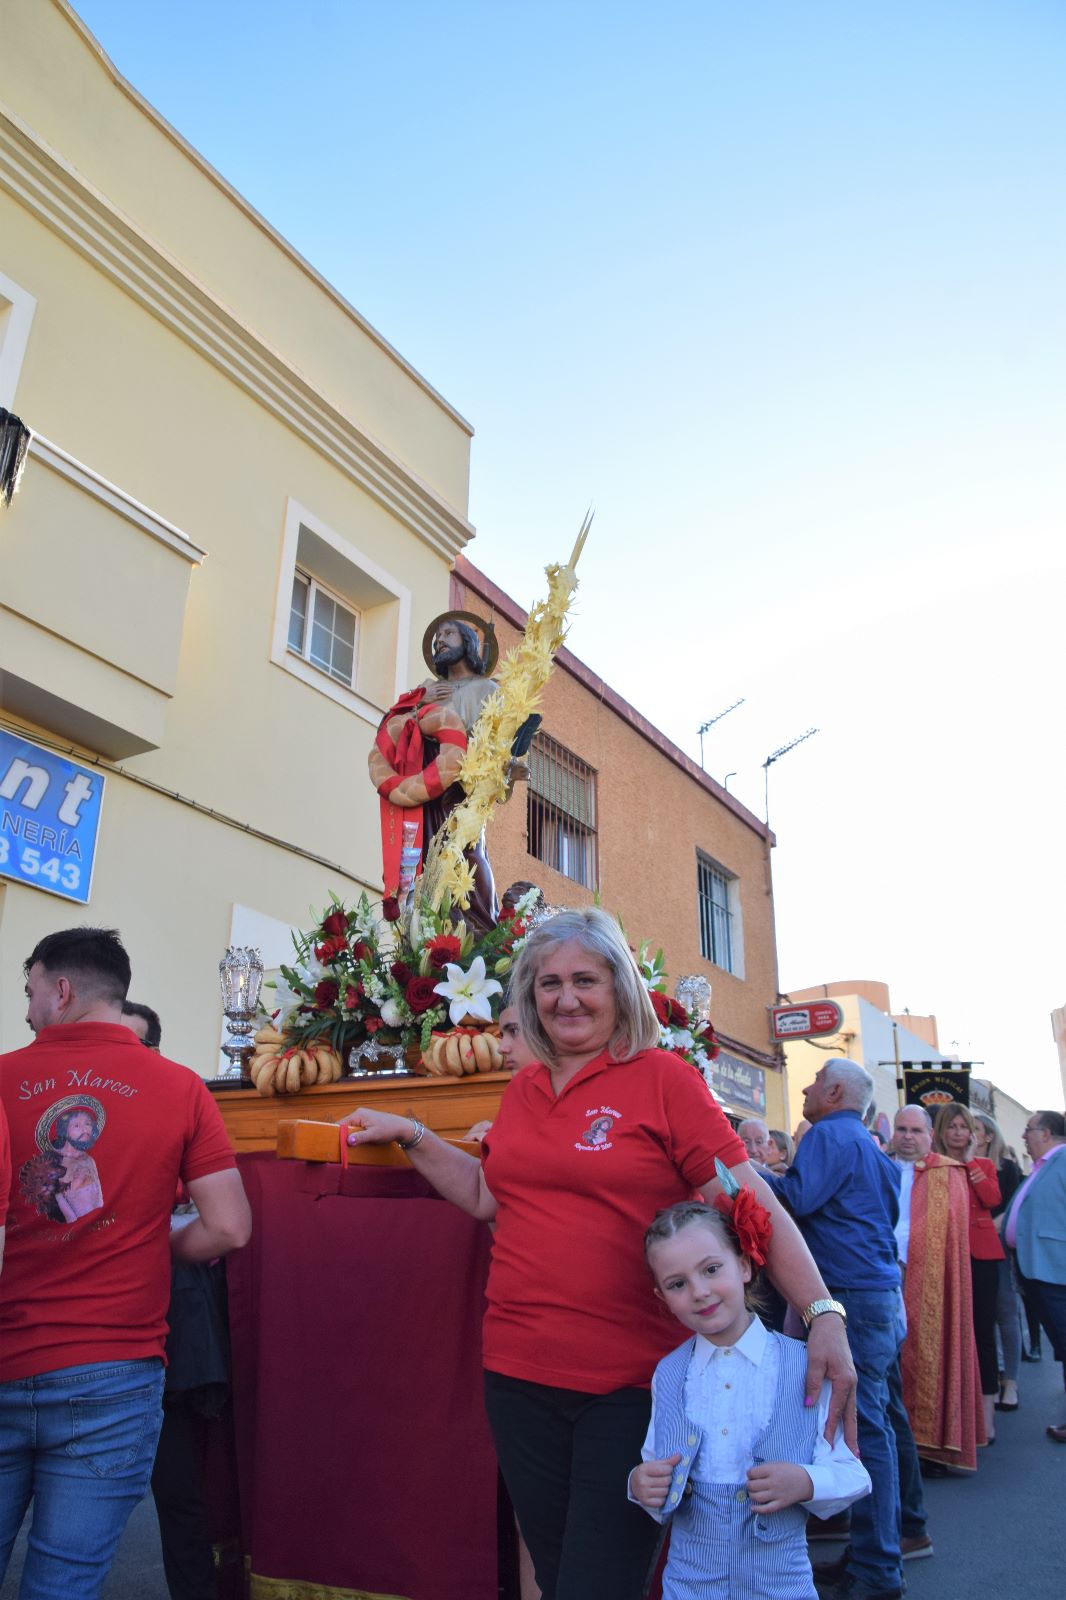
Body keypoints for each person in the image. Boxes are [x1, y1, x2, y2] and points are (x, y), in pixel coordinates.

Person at [343, 909, 856, 1600]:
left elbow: (748, 1200)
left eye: (585, 979)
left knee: (598, 1584)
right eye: (549, 983)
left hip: (633, 1389)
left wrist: (822, 1311)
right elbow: (486, 1197)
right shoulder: (523, 1088)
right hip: (517, 1378)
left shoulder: (664, 1080)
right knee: (558, 1579)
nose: (566, 998)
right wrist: (412, 1133)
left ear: (618, 986)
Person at [0, 927, 251, 1599]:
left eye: (29, 992)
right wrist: (151, 1239)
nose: (26, 1011)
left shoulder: (3, 1078)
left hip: (10, 1351)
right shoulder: (181, 1088)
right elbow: (229, 1225)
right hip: (113, 1371)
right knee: (64, 1584)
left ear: (61, 989)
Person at [629, 1199, 870, 1599]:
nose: (700, 1292)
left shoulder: (803, 1366)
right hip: (689, 1586)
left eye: (711, 1269)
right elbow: (655, 1467)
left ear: (743, 1265)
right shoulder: (669, 1374)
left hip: (781, 1585)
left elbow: (853, 1473)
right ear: (662, 1296)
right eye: (678, 1284)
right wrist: (641, 1484)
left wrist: (806, 1481)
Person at [763, 1060, 903, 1600]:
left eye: (815, 1078)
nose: (804, 1086)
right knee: (884, 1426)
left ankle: (877, 1568)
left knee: (863, 1431)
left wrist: (747, 1174)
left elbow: (795, 1201)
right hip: (882, 1296)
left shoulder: (827, 1135)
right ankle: (889, 1543)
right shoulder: (872, 1147)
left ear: (836, 1091)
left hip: (848, 1296)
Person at [125, 999, 231, 1600]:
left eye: (135, 1048)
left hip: (177, 1337)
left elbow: (223, 1221)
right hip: (92, 1336)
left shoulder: (182, 1108)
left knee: (181, 1494)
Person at [891, 1104, 983, 1473]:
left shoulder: (949, 1173)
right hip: (883, 1274)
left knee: (929, 1352)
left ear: (931, 1134)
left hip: (928, 1277)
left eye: (915, 1130)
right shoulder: (880, 1165)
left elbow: (948, 1233)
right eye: (901, 1129)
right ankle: (893, 1443)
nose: (908, 1137)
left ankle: (930, 1446)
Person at [932, 1102, 1003, 1443]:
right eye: (953, 1127)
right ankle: (955, 1418)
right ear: (942, 1131)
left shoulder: (984, 1164)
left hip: (982, 1256)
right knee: (950, 1333)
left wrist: (971, 1161)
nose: (959, 1133)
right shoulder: (930, 1166)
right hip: (943, 1252)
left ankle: (987, 1419)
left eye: (965, 1127)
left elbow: (992, 1199)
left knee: (982, 1333)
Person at [1002, 1110, 1066, 1444]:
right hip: (1039, 1270)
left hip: (1056, 1271)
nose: (1025, 1136)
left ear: (1047, 1132)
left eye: (1029, 1130)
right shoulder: (1043, 1167)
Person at [972, 1111, 1023, 1411]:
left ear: (989, 1135)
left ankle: (1011, 1382)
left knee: (1006, 1313)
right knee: (981, 1317)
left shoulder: (1006, 1168)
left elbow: (1010, 1209)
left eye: (974, 1128)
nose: (968, 1133)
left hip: (997, 1249)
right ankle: (990, 1376)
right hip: (973, 1248)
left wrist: (982, 1227)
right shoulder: (962, 1165)